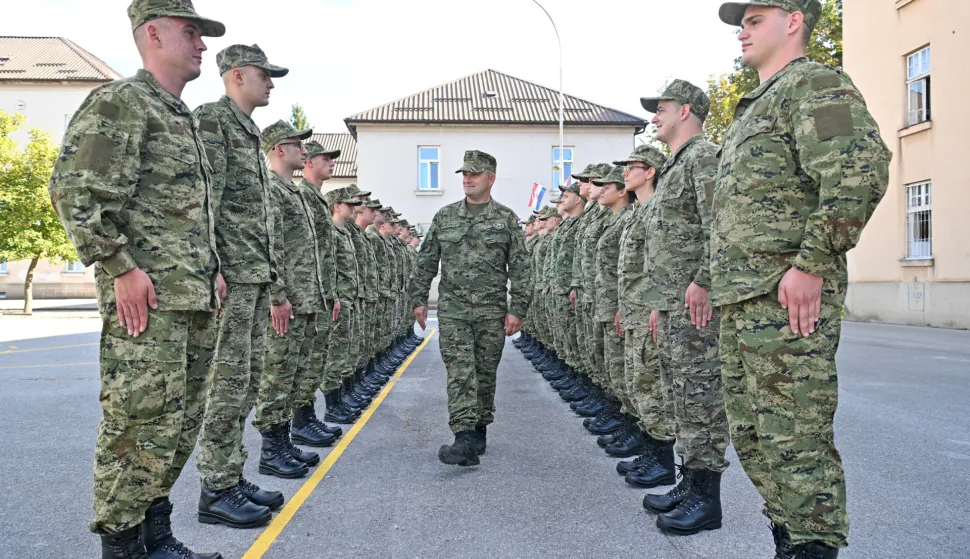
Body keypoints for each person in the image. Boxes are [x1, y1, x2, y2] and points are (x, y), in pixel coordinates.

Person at [712, 1, 891, 556]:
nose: (742, 33)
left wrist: (812, 263)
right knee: (753, 435)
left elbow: (858, 171)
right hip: (743, 298)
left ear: (793, 20)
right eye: (741, 24)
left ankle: (813, 544)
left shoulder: (815, 84)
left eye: (754, 20)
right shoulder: (757, 106)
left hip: (784, 296)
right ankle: (790, 538)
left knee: (794, 438)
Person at [47, 1, 225, 556]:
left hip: (191, 299)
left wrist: (213, 271)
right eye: (191, 32)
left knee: (178, 427)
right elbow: (75, 192)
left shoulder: (179, 116)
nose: (202, 45)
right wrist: (119, 267)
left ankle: (157, 538)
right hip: (147, 304)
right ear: (154, 33)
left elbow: (186, 215)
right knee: (137, 427)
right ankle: (123, 547)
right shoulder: (122, 102)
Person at [193, 43, 288, 531]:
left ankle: (230, 475)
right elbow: (204, 196)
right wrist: (211, 265)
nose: (270, 83)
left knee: (247, 383)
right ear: (236, 75)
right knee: (226, 387)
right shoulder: (213, 121)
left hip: (253, 277)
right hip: (231, 277)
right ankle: (215, 489)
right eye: (263, 74)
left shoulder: (247, 131)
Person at [639, 79, 729, 536]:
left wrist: (705, 280)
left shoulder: (703, 157)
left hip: (696, 304)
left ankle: (706, 500)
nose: (655, 117)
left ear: (686, 111)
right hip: (673, 305)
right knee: (680, 396)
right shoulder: (675, 166)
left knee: (701, 398)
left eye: (662, 108)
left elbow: (720, 224)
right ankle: (689, 482)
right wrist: (658, 304)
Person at [410, 150, 531, 467]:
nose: (468, 178)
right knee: (460, 372)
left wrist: (518, 308)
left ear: (491, 178)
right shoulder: (445, 216)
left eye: (475, 173)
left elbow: (521, 268)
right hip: (454, 311)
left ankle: (479, 429)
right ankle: (463, 436)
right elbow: (426, 261)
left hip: (492, 312)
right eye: (465, 173)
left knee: (485, 373)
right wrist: (419, 299)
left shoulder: (506, 219)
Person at [252, 120, 330, 481]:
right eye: (297, 144)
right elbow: (272, 247)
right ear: (279, 149)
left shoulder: (294, 192)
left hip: (305, 299)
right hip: (287, 302)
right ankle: (271, 451)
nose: (304, 150)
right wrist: (277, 296)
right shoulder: (272, 189)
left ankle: (284, 442)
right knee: (277, 374)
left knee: (294, 373)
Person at [603, 146, 670, 468]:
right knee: (635, 382)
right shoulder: (638, 213)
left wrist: (659, 305)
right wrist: (621, 306)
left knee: (649, 385)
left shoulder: (659, 209)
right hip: (632, 310)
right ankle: (648, 448)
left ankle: (662, 461)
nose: (625, 173)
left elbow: (662, 263)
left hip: (648, 311)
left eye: (631, 168)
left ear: (650, 172)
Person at [590, 165, 635, 455]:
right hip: (607, 302)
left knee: (624, 371)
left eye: (608, 185)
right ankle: (622, 421)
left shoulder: (627, 218)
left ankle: (632, 430)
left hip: (621, 305)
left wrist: (621, 304)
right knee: (613, 366)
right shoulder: (613, 220)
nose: (601, 189)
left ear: (622, 192)